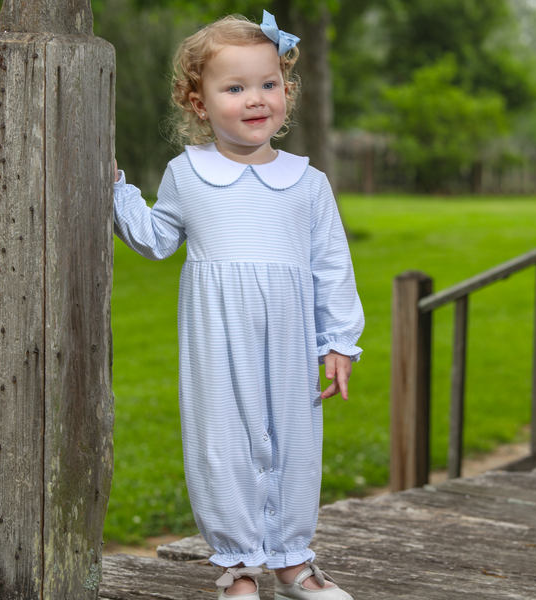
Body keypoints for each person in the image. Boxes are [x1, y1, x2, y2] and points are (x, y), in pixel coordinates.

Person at [113, 10, 363, 600]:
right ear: (198, 103)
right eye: (235, 88)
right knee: (222, 444)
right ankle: (240, 568)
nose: (257, 99)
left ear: (287, 91)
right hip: (216, 339)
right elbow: (156, 238)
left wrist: (338, 341)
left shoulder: (308, 182)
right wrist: (116, 191)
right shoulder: (188, 173)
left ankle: (292, 562)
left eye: (269, 84)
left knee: (293, 443)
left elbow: (332, 264)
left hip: (290, 339)